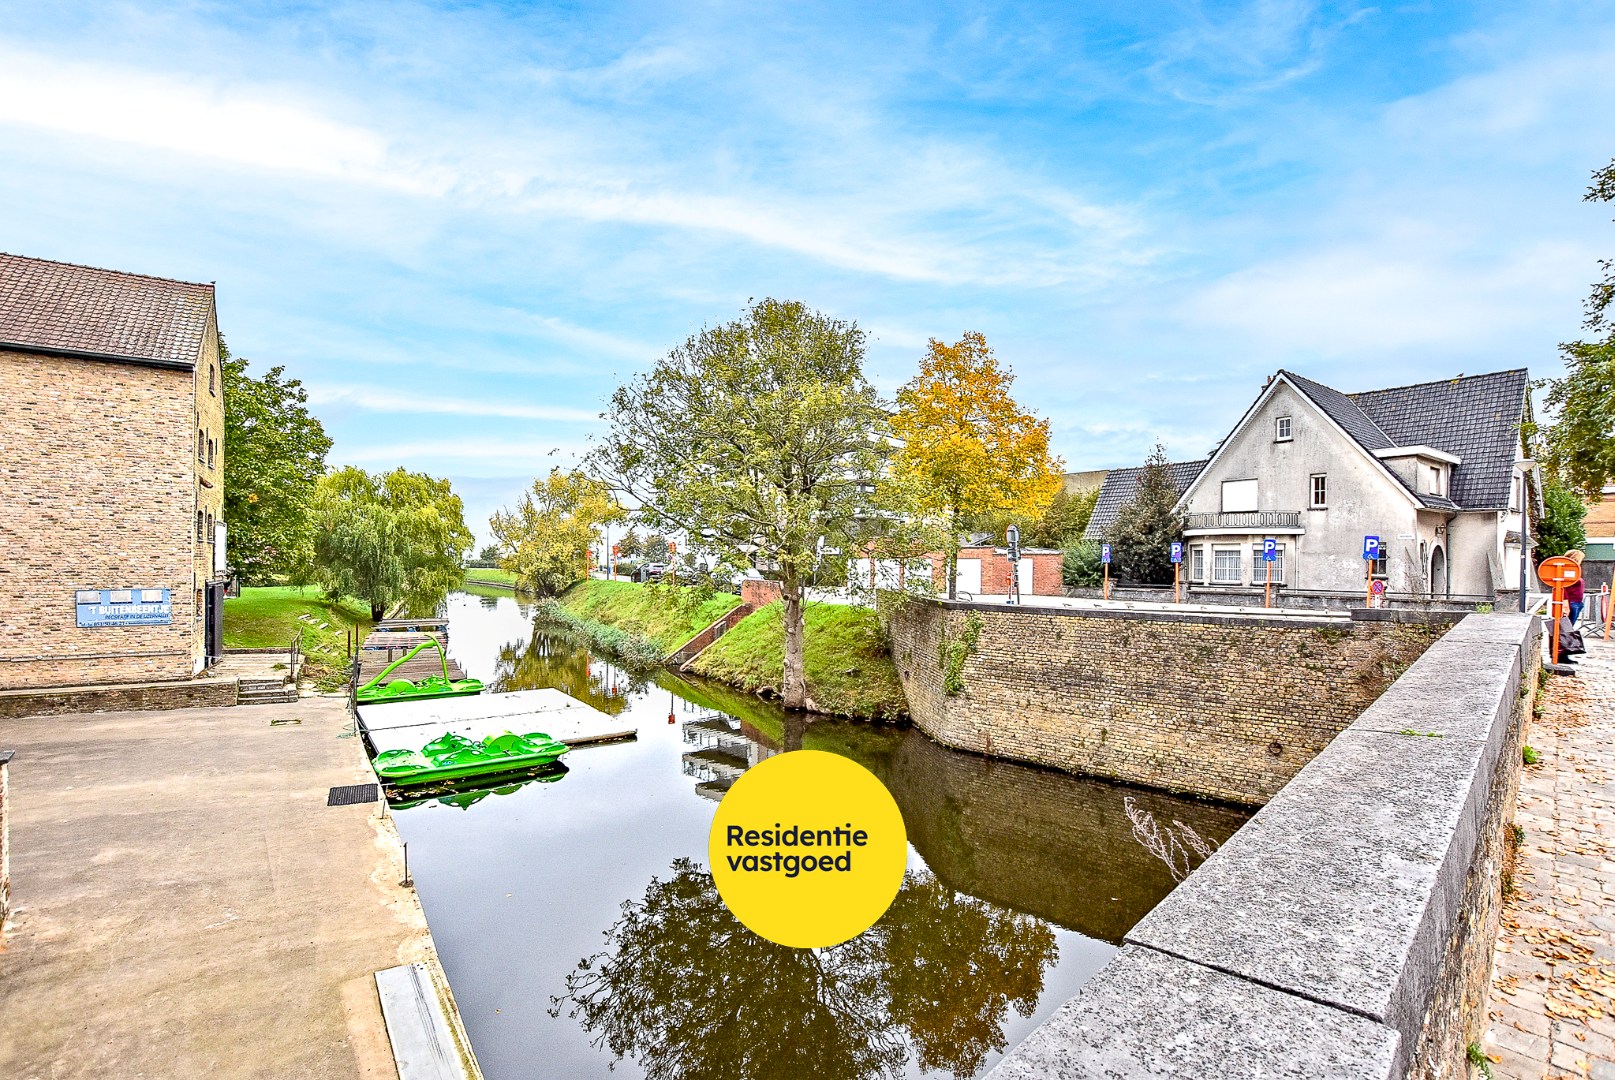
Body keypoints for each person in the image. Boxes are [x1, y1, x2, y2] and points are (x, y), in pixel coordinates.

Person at [1566, 549, 1586, 627]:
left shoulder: (1575, 570)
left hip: (1576, 602)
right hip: (1572, 602)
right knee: (1568, 627)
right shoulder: (1568, 570)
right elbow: (1563, 588)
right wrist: (1565, 603)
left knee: (1569, 626)